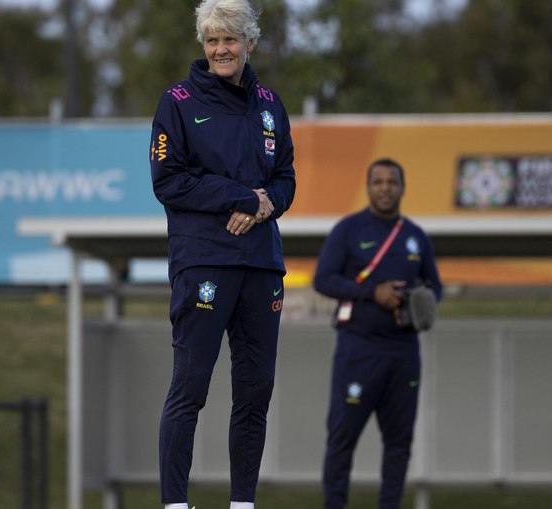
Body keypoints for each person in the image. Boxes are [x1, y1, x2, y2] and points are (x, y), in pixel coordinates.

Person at [148, 0, 296, 507]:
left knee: (256, 391)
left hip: (261, 263)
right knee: (190, 387)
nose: (221, 49)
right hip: (205, 262)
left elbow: (286, 181)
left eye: (230, 39)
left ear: (249, 42)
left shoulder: (272, 104)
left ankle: (242, 502)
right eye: (212, 40)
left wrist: (264, 206)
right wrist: (243, 198)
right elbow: (168, 181)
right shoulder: (178, 101)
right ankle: (174, 502)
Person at [313, 158, 442, 509]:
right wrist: (374, 292)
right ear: (369, 187)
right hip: (358, 350)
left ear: (402, 187)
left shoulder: (415, 237)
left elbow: (436, 287)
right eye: (378, 182)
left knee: (399, 442)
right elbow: (323, 279)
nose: (385, 188)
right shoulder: (349, 230)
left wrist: (419, 303)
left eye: (392, 182)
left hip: (404, 353)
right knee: (342, 438)